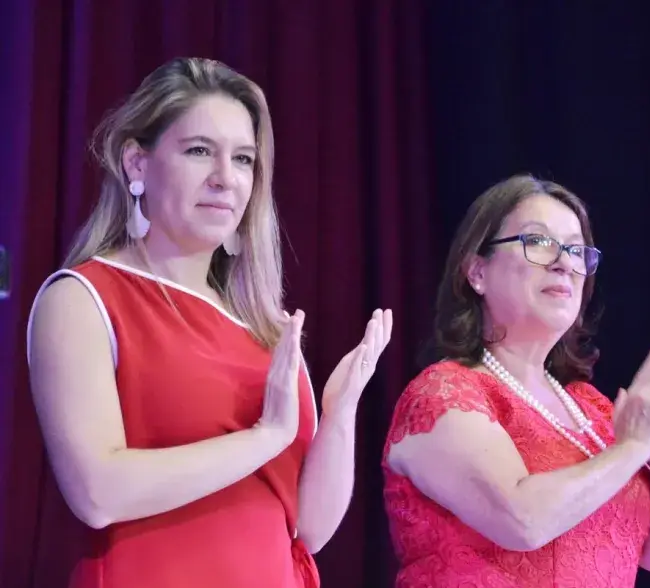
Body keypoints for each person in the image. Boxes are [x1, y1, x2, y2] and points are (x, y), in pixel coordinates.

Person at [26, 57, 393, 588]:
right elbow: (97, 493)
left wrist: (339, 414)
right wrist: (266, 436)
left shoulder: (264, 329)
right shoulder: (84, 297)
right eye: (200, 151)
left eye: (243, 159)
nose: (226, 179)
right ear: (137, 163)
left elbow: (309, 530)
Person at [382, 174, 650, 587]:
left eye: (575, 249)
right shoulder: (443, 393)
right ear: (477, 271)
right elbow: (522, 521)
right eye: (538, 242)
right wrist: (638, 444)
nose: (564, 263)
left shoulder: (591, 409)